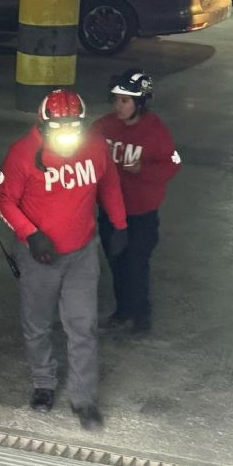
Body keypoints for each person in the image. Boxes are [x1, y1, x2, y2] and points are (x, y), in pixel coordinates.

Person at [0, 89, 129, 431]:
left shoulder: (96, 147)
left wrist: (119, 225)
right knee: (37, 323)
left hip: (82, 253)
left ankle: (84, 398)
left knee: (82, 325)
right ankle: (43, 382)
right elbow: (5, 201)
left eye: (74, 128)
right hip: (39, 255)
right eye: (60, 129)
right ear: (43, 126)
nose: (68, 135)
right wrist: (31, 233)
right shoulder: (22, 154)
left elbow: (110, 185)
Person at [91, 69, 182, 336]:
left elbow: (174, 163)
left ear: (139, 103)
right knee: (116, 261)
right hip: (110, 212)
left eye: (125, 101)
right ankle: (123, 310)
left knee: (136, 263)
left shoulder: (155, 131)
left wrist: (142, 169)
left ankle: (142, 316)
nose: (118, 106)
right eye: (116, 99)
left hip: (141, 214)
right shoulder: (102, 127)